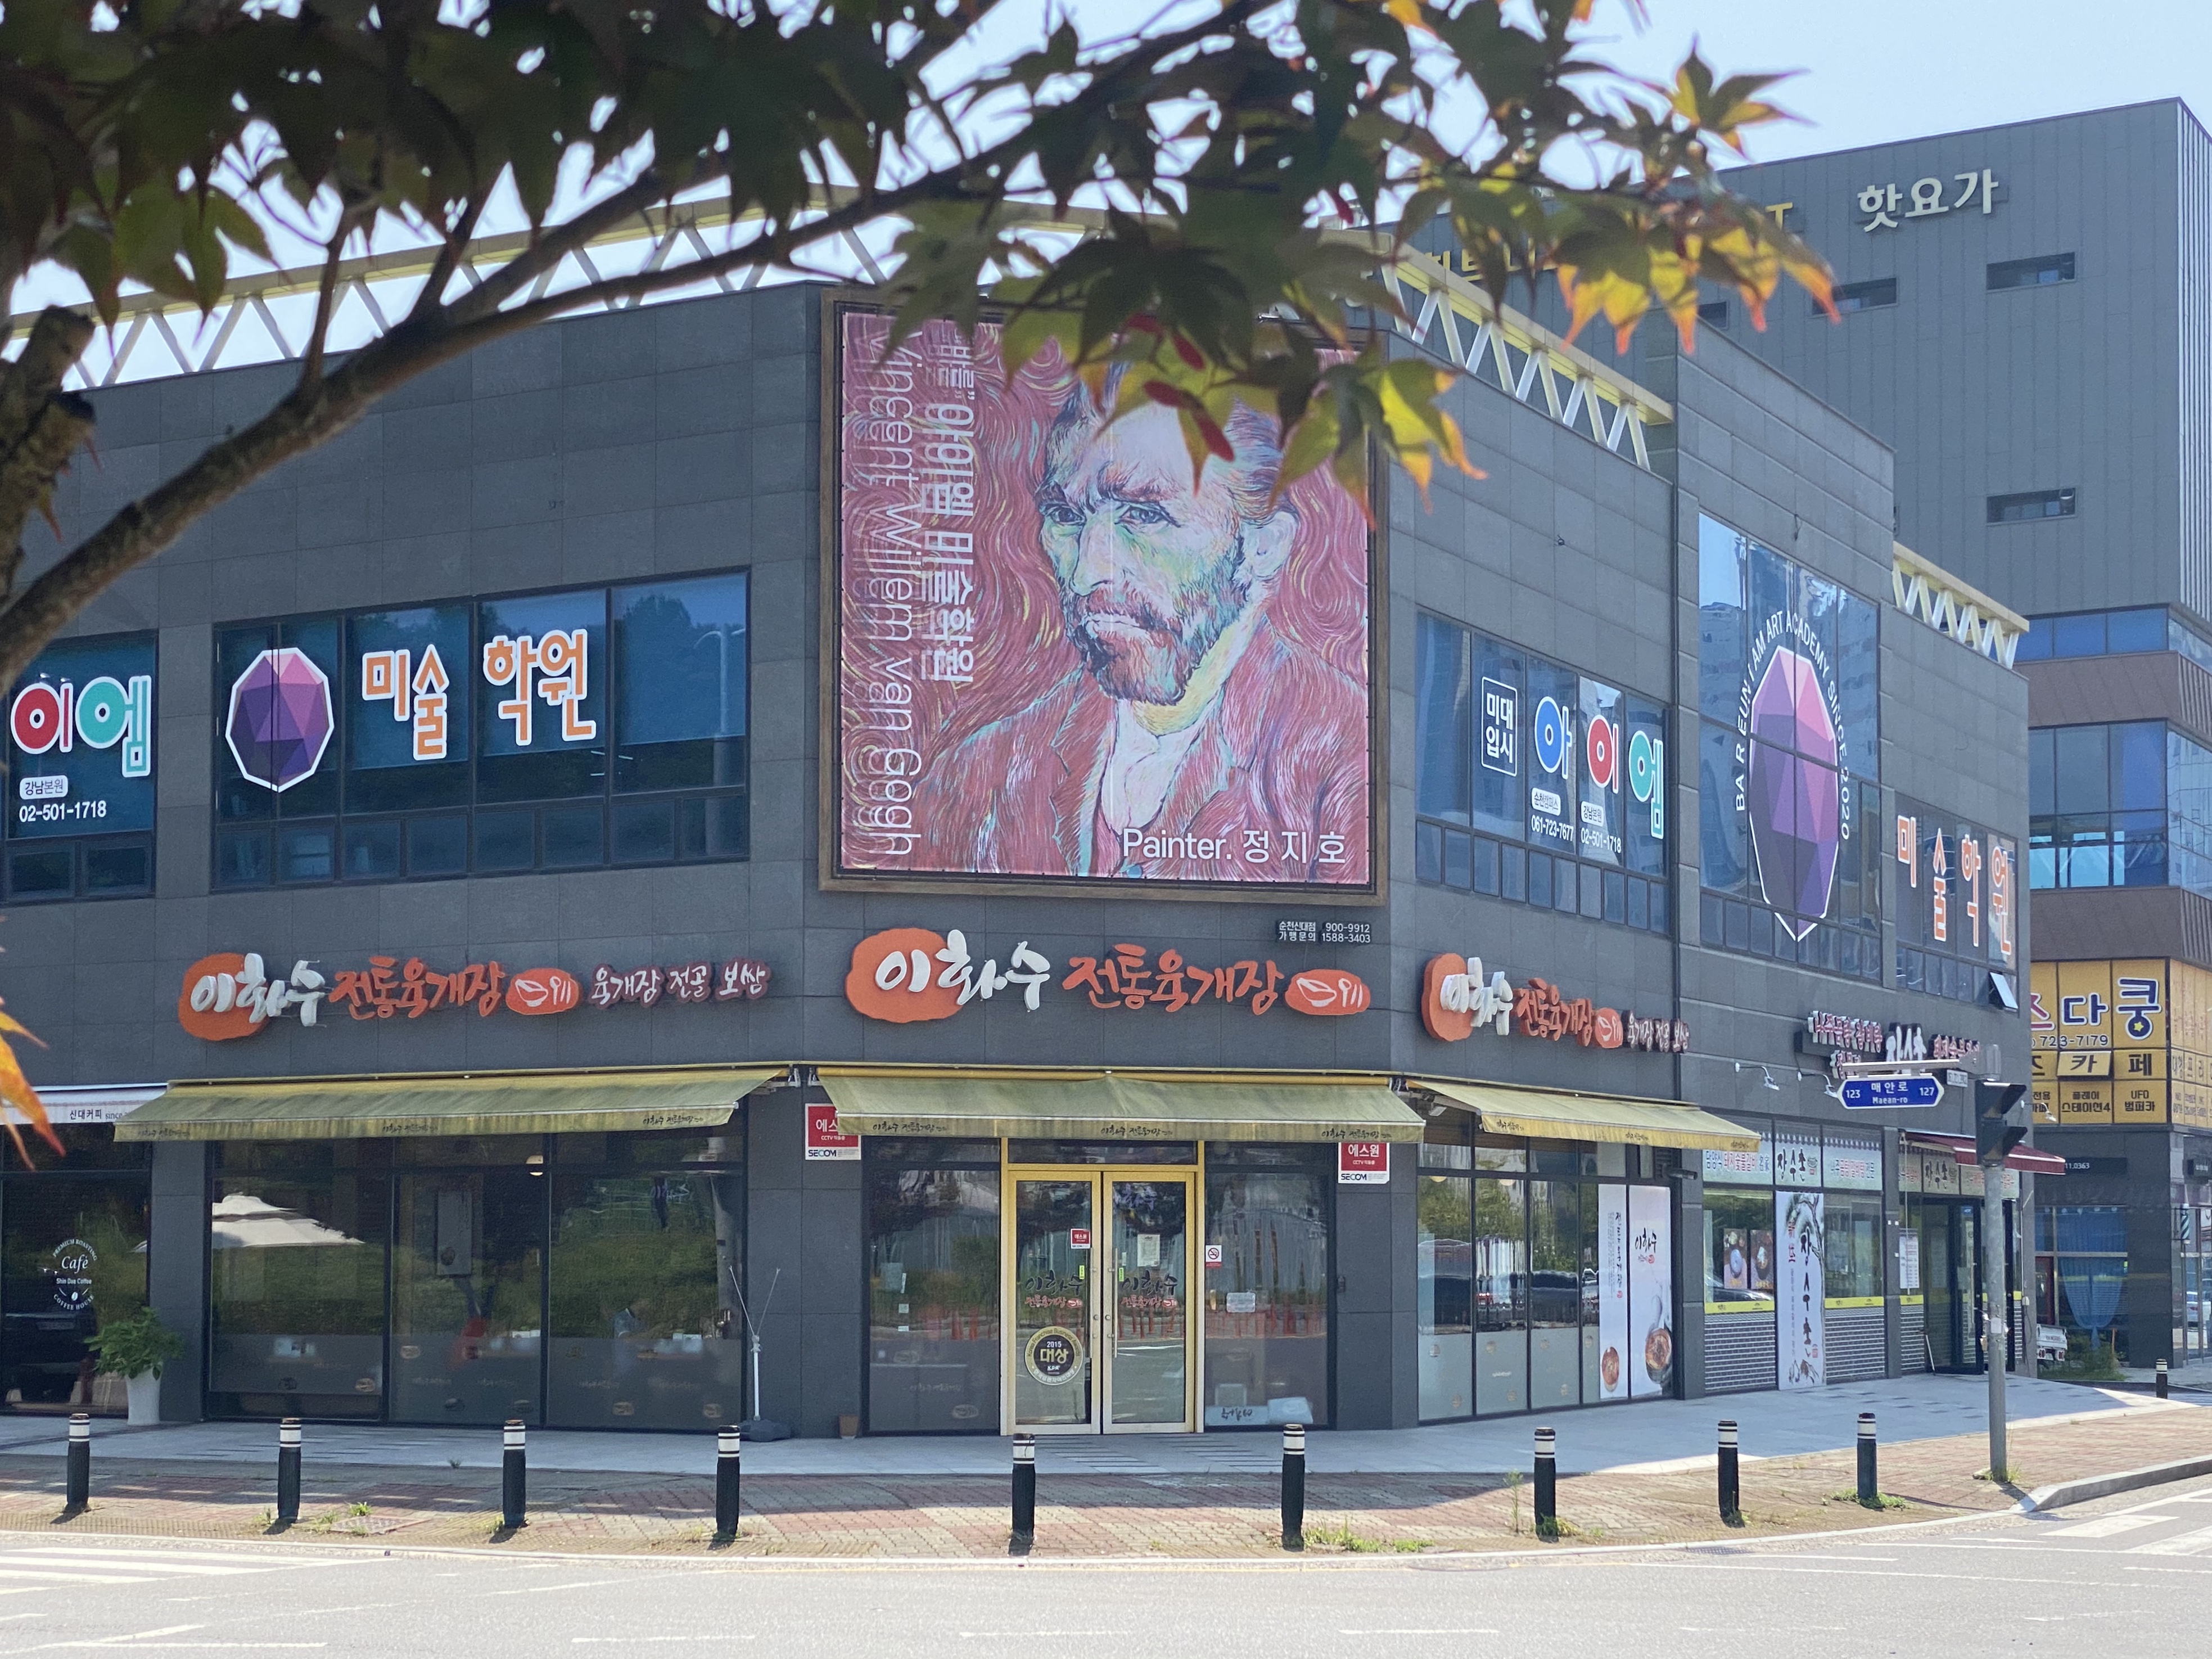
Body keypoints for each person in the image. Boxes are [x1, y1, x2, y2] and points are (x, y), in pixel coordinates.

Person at [917, 370, 1367, 882]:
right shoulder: (976, 781)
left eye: (1144, 515)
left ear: (1262, 546)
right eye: (1066, 515)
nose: (1088, 573)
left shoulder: (1346, 759)